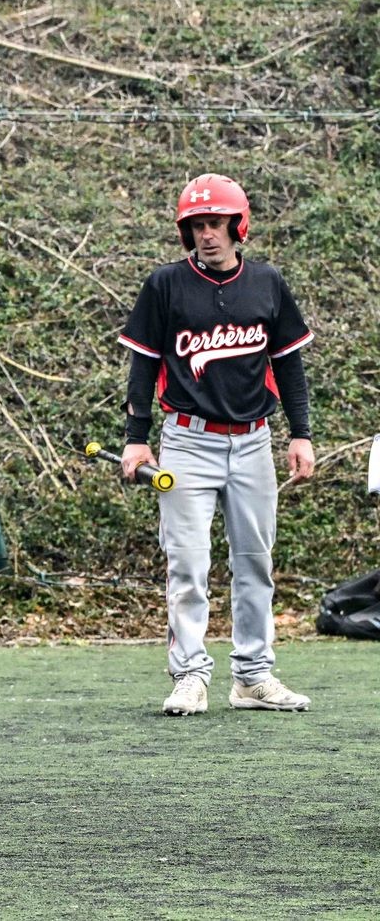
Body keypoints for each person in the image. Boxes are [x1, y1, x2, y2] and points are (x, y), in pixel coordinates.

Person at [118, 173, 315, 717]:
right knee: (187, 565)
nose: (207, 234)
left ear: (238, 225)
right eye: (197, 225)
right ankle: (190, 676)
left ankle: (252, 676)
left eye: (216, 223)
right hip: (187, 442)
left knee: (255, 563)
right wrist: (136, 441)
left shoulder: (267, 283)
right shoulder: (166, 285)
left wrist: (301, 434)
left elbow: (288, 366)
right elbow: (144, 366)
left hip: (254, 444)